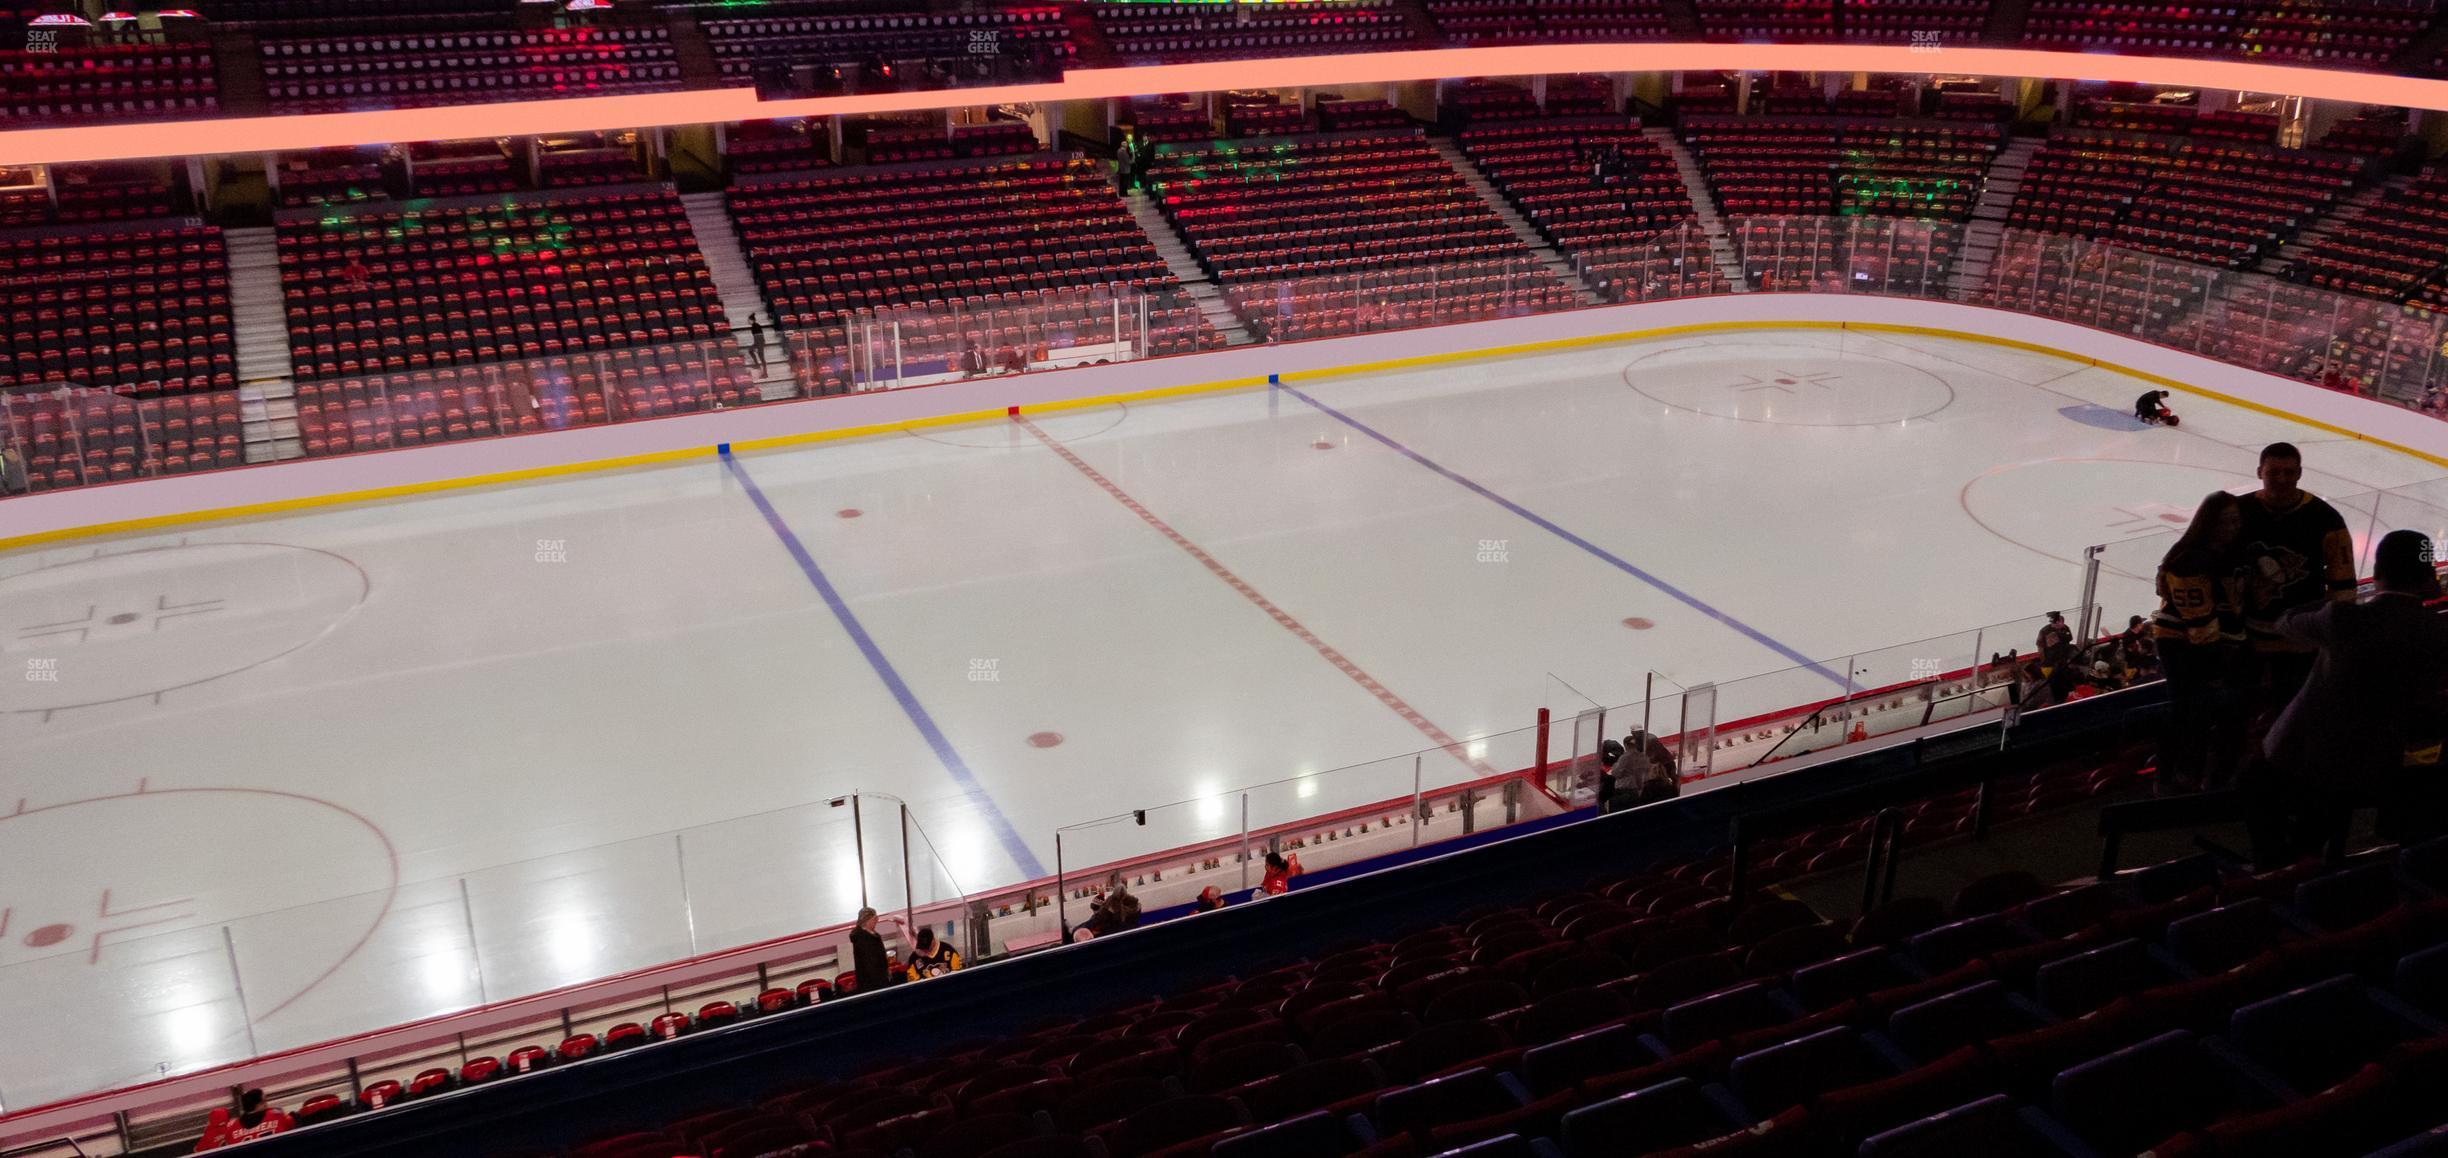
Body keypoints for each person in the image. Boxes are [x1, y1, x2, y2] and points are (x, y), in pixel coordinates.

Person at [2257, 530, 2448, 861]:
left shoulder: (2343, 618)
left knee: (2256, 785)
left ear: (2377, 574)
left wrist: (2337, 600)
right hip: (2378, 759)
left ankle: (2276, 869)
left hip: (2304, 756)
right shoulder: (2438, 630)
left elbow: (2285, 622)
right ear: (2428, 577)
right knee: (2327, 820)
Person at [2235, 443, 2357, 716]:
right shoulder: (2238, 511)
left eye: (2289, 472)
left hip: (2301, 640)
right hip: (2246, 637)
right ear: (2259, 472)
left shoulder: (2326, 519)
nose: (2281, 479)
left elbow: (2343, 584)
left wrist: (2336, 636)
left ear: (2299, 473)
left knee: (2292, 711)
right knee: (2240, 712)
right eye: (2273, 472)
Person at [2152, 490, 2246, 794]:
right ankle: (2170, 779)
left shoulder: (2226, 552)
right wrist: (2215, 670)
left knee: (2206, 713)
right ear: (2207, 523)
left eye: (2234, 521)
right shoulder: (2189, 561)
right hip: (2181, 645)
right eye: (2222, 522)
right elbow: (2200, 626)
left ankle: (2196, 775)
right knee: (2187, 711)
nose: (2230, 528)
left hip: (2209, 642)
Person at [203, 1090, 292, 1148]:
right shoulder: (276, 1114)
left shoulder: (232, 1127)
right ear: (259, 1104)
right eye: (265, 1101)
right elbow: (291, 1124)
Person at [849, 907, 892, 992]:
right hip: (872, 984)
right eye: (875, 918)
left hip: (877, 979)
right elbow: (870, 964)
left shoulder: (870, 935)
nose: (877, 920)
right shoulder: (863, 940)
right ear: (867, 921)